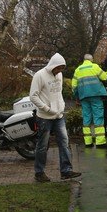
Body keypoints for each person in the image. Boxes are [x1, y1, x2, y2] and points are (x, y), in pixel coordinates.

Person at [29, 53, 81, 182]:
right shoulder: (39, 75)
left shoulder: (59, 75)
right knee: (42, 145)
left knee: (64, 142)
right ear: (53, 65)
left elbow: (58, 93)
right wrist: (46, 108)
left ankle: (66, 171)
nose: (60, 71)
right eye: (58, 68)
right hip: (44, 117)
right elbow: (33, 96)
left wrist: (61, 107)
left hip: (59, 115)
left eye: (62, 68)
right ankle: (39, 173)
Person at [71, 53, 107, 147]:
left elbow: (74, 86)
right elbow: (104, 77)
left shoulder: (78, 70)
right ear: (91, 60)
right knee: (98, 117)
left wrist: (77, 97)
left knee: (86, 118)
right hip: (96, 95)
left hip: (84, 97)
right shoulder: (94, 66)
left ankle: (88, 142)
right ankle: (100, 142)